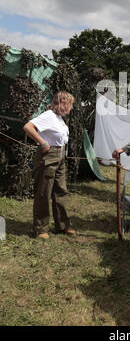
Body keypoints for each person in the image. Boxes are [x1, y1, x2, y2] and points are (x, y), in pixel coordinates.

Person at [23, 91, 76, 240]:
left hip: (60, 158)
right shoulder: (48, 115)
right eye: (70, 105)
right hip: (48, 156)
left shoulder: (59, 119)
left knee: (60, 191)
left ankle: (63, 225)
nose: (71, 108)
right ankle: (40, 229)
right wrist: (43, 142)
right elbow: (28, 127)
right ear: (63, 103)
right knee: (43, 192)